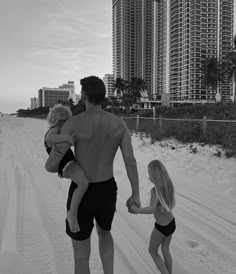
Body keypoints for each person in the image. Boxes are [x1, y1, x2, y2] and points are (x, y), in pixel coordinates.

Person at [45, 76, 140, 274]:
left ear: (84, 96)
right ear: (103, 96)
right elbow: (130, 160)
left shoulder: (73, 123)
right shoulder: (118, 124)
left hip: (83, 192)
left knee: (81, 250)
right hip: (107, 189)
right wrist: (135, 194)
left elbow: (52, 165)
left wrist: (62, 166)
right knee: (105, 233)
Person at [44, 104, 88, 233]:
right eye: (65, 121)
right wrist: (68, 137)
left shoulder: (59, 129)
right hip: (66, 164)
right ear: (59, 120)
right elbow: (49, 138)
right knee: (83, 183)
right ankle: (72, 213)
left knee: (82, 182)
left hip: (68, 162)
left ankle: (74, 211)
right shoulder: (55, 129)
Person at [130, 159, 176, 274]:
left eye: (149, 173)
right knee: (165, 249)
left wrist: (138, 210)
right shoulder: (169, 185)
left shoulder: (155, 191)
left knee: (152, 251)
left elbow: (151, 209)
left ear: (153, 176)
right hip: (171, 223)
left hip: (161, 228)